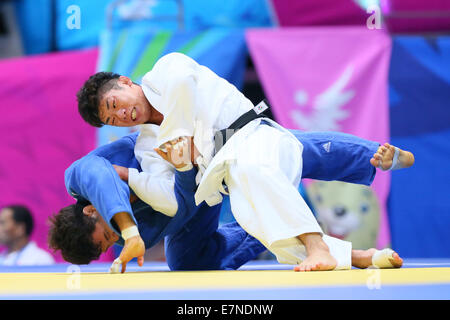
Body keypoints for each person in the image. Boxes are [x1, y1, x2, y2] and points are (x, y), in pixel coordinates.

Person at [76, 52, 413, 272]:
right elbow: (168, 199)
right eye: (113, 119)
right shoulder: (149, 148)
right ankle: (354, 257)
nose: (121, 114)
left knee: (273, 163)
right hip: (225, 175)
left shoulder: (164, 70)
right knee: (251, 216)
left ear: (124, 82)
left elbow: (183, 84)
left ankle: (322, 241)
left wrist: (180, 141)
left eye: (115, 103)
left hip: (253, 136)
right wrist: (161, 172)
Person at [48, 132, 403, 273]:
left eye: (108, 233)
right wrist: (184, 176)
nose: (119, 237)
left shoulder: (79, 177)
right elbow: (183, 205)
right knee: (186, 263)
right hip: (191, 191)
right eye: (112, 242)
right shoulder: (139, 231)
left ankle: (373, 154)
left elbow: (101, 175)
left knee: (288, 152)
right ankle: (349, 255)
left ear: (91, 209)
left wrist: (125, 225)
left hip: (208, 144)